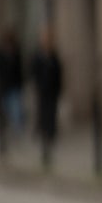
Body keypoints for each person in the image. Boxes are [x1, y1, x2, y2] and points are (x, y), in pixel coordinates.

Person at [30, 26, 64, 167]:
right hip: (42, 90)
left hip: (53, 90)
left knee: (52, 113)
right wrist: (36, 85)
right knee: (43, 113)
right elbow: (33, 71)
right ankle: (44, 135)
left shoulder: (54, 55)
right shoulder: (38, 55)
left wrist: (60, 87)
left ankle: (50, 134)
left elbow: (59, 72)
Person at [0, 26, 26, 146]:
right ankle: (5, 135)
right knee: (5, 112)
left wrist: (21, 83)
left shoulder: (16, 52)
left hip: (14, 86)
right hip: (3, 87)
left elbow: (19, 70)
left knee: (16, 111)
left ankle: (16, 133)